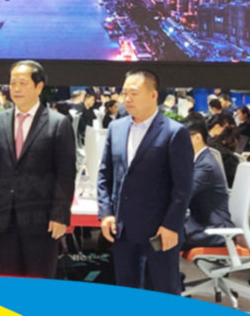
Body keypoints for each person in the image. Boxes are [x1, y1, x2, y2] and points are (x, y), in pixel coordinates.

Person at [97, 69, 193, 295]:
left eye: (133, 93)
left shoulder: (174, 132)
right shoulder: (116, 128)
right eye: (124, 93)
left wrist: (171, 225)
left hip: (159, 230)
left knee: (164, 290)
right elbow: (105, 174)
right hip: (123, 228)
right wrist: (106, 213)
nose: (127, 99)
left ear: (153, 95)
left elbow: (183, 186)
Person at [0, 60, 76, 278]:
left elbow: (66, 174)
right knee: (9, 282)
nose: (16, 89)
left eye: (23, 83)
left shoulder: (58, 123)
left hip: (42, 220)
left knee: (38, 284)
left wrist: (60, 215)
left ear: (39, 87)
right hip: (5, 219)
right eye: (13, 83)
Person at [182, 118, 233, 250]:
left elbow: (183, 193)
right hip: (200, 223)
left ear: (197, 138)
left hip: (213, 229)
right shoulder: (198, 160)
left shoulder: (206, 165)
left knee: (162, 236)